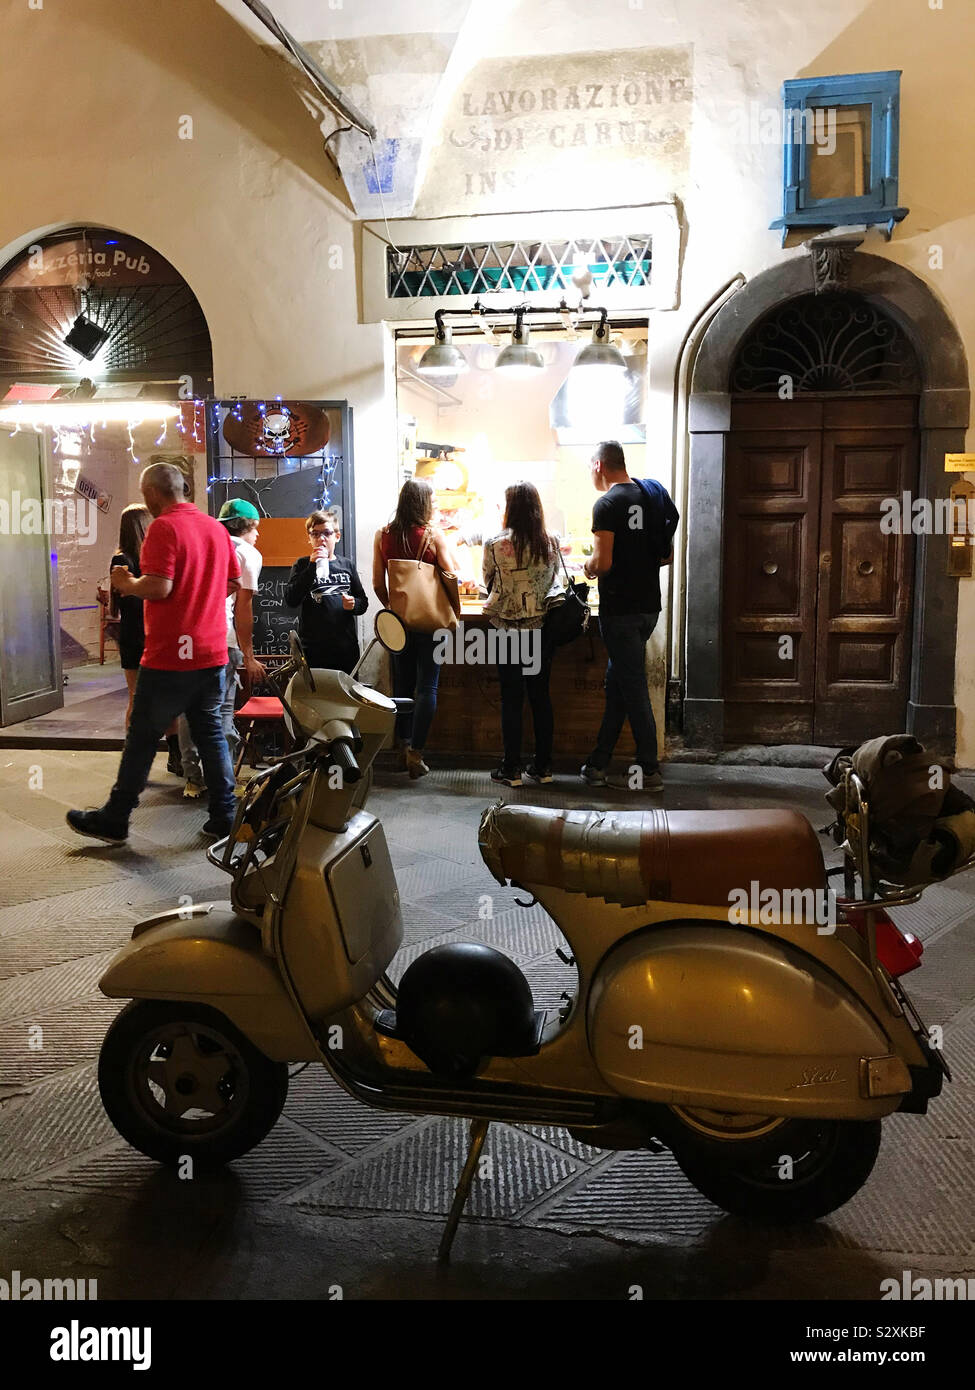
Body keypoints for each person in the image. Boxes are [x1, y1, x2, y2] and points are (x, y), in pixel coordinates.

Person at [66, 460, 241, 844]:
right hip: (211, 650)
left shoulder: (164, 527)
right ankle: (225, 815)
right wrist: (200, 601)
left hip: (171, 654)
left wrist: (126, 583)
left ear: (152, 493)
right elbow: (233, 581)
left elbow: (159, 588)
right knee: (210, 732)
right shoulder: (214, 527)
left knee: (142, 735)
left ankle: (116, 817)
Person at [580, 440, 679, 792]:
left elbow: (603, 562)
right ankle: (598, 763)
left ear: (598, 466)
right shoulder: (649, 495)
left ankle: (649, 770)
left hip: (620, 609)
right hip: (648, 607)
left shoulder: (607, 503)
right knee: (619, 686)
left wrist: (587, 567)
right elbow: (665, 556)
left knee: (633, 688)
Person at [178, 498, 267, 796]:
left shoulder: (200, 545)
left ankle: (193, 778)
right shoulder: (246, 553)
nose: (258, 535)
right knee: (221, 709)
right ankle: (222, 783)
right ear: (248, 526)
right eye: (256, 528)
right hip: (220, 639)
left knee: (191, 709)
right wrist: (249, 655)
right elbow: (243, 607)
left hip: (185, 637)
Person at [373, 479, 459, 779]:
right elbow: (450, 572)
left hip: (400, 625)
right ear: (422, 503)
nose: (435, 504)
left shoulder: (383, 535)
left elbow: (376, 584)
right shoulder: (434, 536)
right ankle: (416, 754)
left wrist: (394, 610)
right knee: (427, 687)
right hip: (431, 623)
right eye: (432, 500)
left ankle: (401, 747)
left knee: (402, 687)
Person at [482, 482, 563, 787]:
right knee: (541, 698)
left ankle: (511, 768)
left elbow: (488, 579)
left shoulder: (495, 543)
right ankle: (543, 767)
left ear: (510, 508)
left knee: (511, 699)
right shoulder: (550, 541)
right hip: (541, 630)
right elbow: (555, 579)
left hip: (507, 631)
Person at [284, 508, 368, 674]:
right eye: (315, 534)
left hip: (345, 648)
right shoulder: (302, 565)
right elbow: (291, 600)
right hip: (312, 650)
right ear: (309, 538)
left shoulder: (347, 565)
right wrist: (312, 566)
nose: (321, 538)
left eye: (326, 533)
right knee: (314, 698)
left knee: (343, 697)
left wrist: (354, 604)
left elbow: (363, 602)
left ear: (337, 536)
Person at [109, 503, 152, 728]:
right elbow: (132, 601)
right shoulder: (123, 561)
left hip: (145, 632)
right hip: (136, 633)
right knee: (137, 696)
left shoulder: (147, 559)